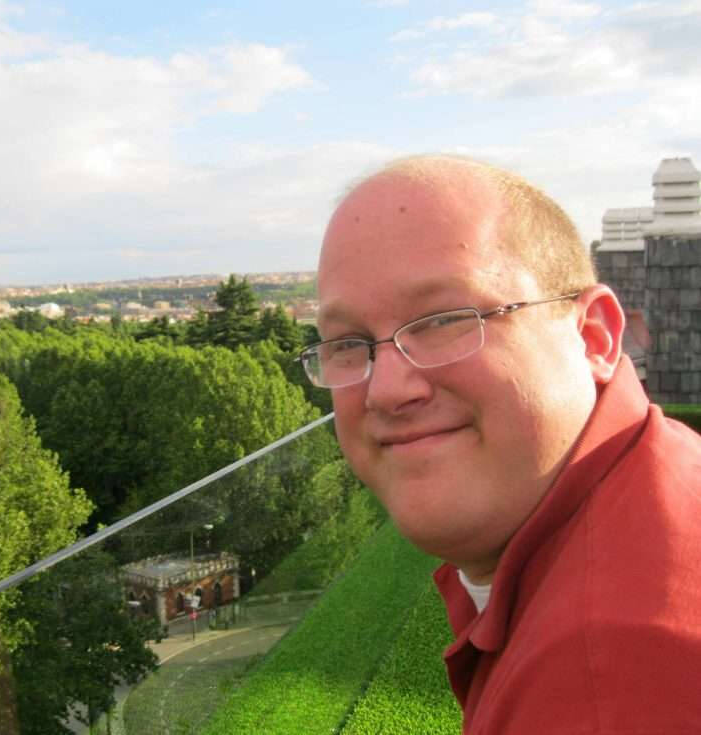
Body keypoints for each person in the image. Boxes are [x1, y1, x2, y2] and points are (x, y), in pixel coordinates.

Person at [300, 154, 701, 733]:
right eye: (348, 343)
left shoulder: (609, 673)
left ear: (594, 336)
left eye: (443, 319)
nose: (385, 390)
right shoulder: (649, 487)